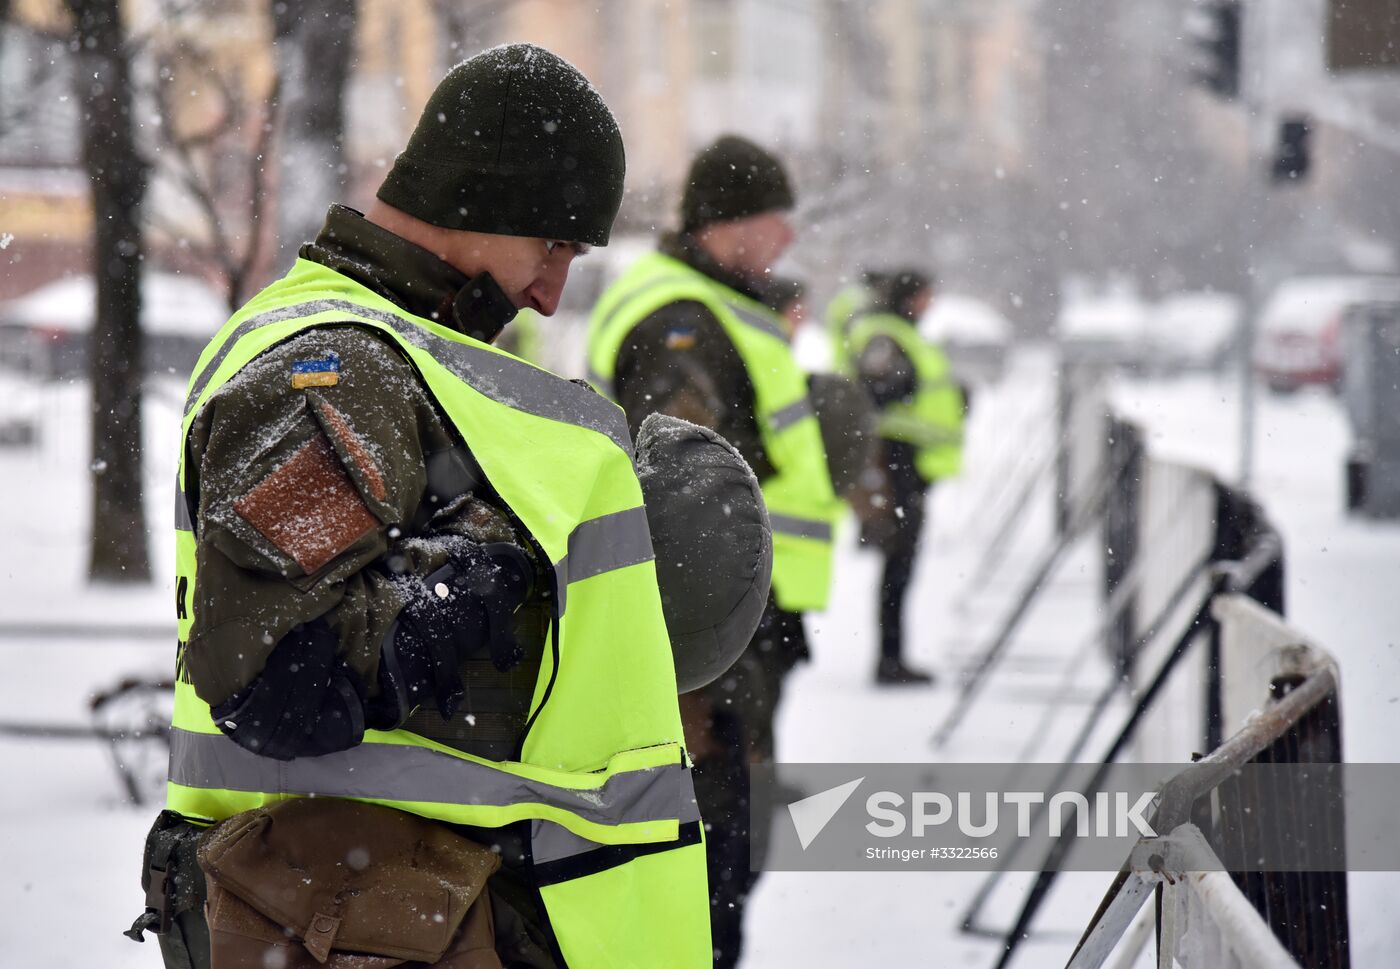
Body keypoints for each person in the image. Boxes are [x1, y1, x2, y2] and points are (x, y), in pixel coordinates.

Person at [128, 46, 773, 969]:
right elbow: (274, 678)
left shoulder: (412, 359)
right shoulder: (331, 366)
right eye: (551, 245)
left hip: (397, 911)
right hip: (346, 918)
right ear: (482, 200)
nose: (550, 294)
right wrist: (467, 600)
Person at [586, 135, 844, 968]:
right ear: (731, 224)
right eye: (777, 220)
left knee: (730, 838)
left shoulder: (715, 308)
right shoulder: (682, 323)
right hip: (707, 642)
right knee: (711, 846)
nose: (789, 240)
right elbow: (685, 495)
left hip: (741, 623)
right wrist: (698, 678)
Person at [849, 269, 966, 685]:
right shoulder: (885, 334)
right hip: (894, 464)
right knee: (897, 566)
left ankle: (894, 657)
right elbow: (876, 389)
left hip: (909, 468)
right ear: (908, 297)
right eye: (925, 295)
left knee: (902, 566)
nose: (930, 304)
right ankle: (889, 661)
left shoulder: (903, 333)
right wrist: (902, 382)